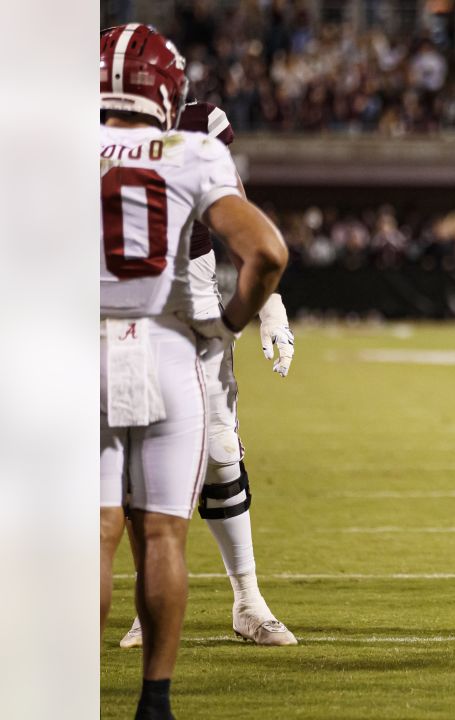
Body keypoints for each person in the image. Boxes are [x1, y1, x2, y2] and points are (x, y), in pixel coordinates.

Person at [100, 24, 288, 718]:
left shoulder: (60, 139)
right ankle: (154, 693)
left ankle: (246, 598)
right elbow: (262, 245)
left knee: (102, 521)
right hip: (166, 323)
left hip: (100, 325)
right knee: (161, 524)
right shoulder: (194, 145)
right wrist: (251, 312)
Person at [118, 100, 298, 649]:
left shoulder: (197, 121)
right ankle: (147, 606)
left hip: (193, 291)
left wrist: (269, 305)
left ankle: (248, 601)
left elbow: (234, 208)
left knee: (219, 451)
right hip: (118, 299)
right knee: (133, 457)